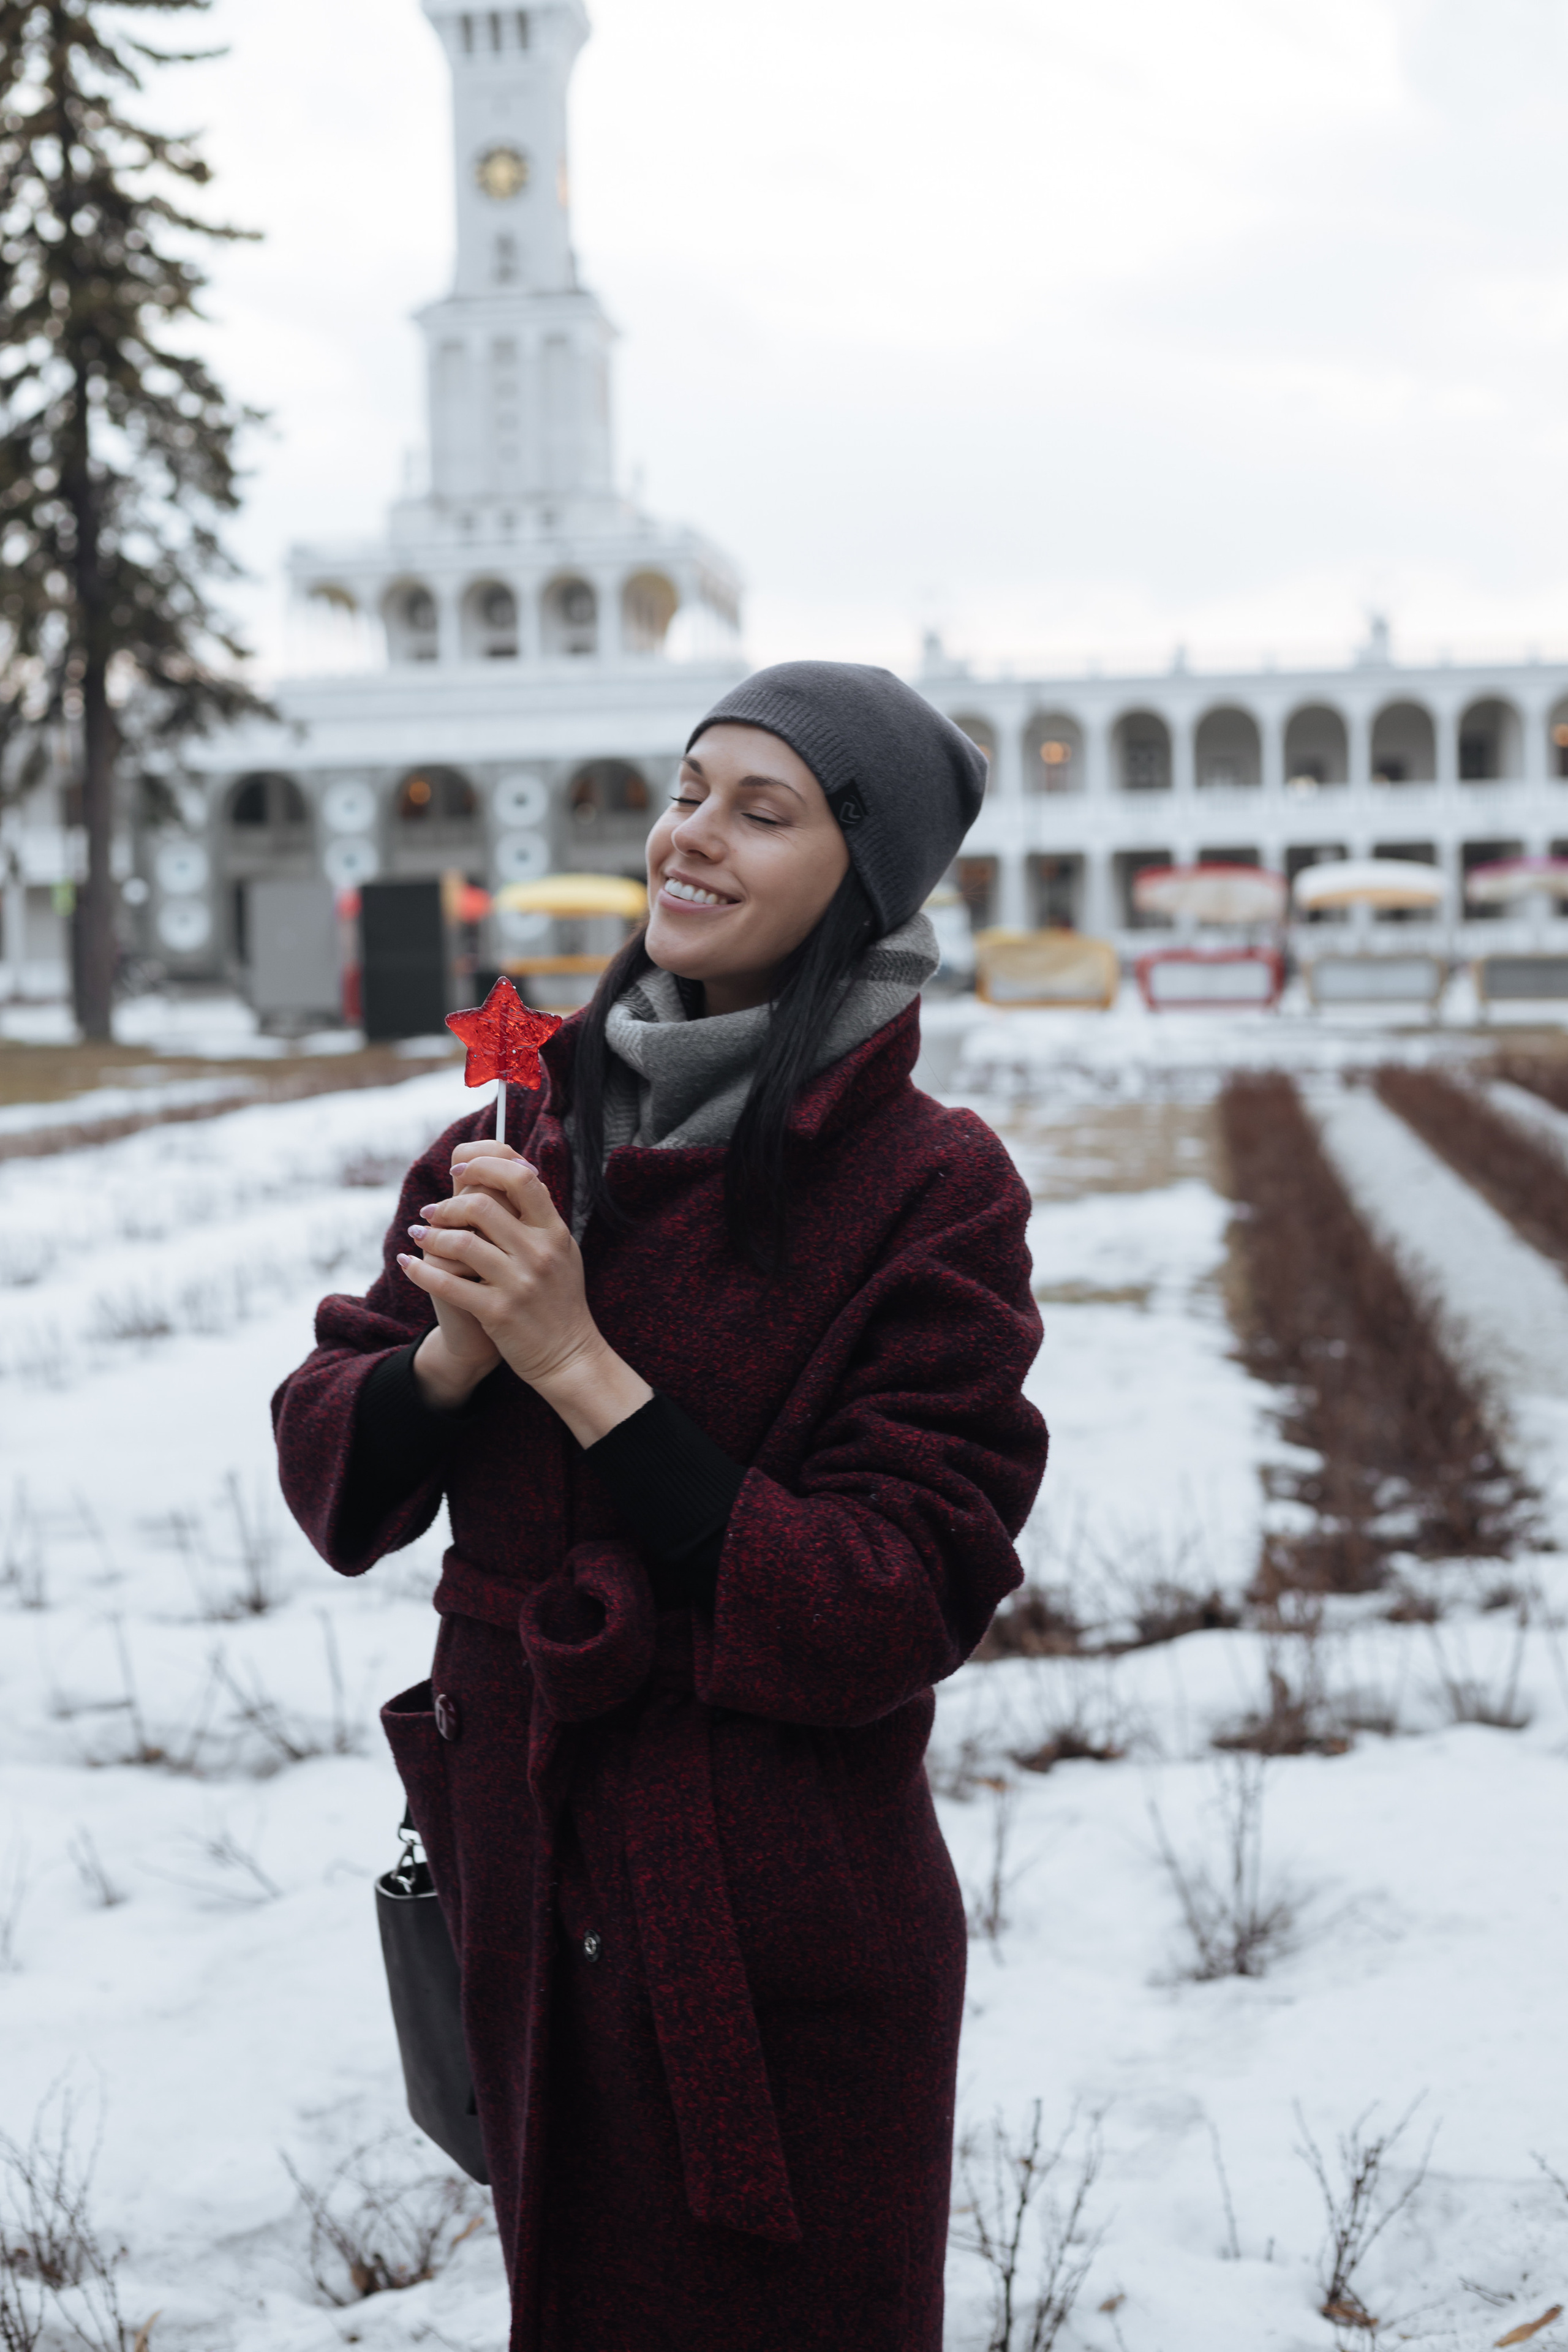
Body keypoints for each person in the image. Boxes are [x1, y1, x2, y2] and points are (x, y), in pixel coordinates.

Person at [273, 661, 1048, 2352]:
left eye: (761, 812)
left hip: (775, 1932)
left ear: (866, 879)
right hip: (532, 1886)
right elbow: (332, 1470)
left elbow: (895, 1593)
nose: (690, 840)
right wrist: (450, 1369)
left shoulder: (932, 1187)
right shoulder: (520, 1128)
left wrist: (576, 1363)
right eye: (689, 792)